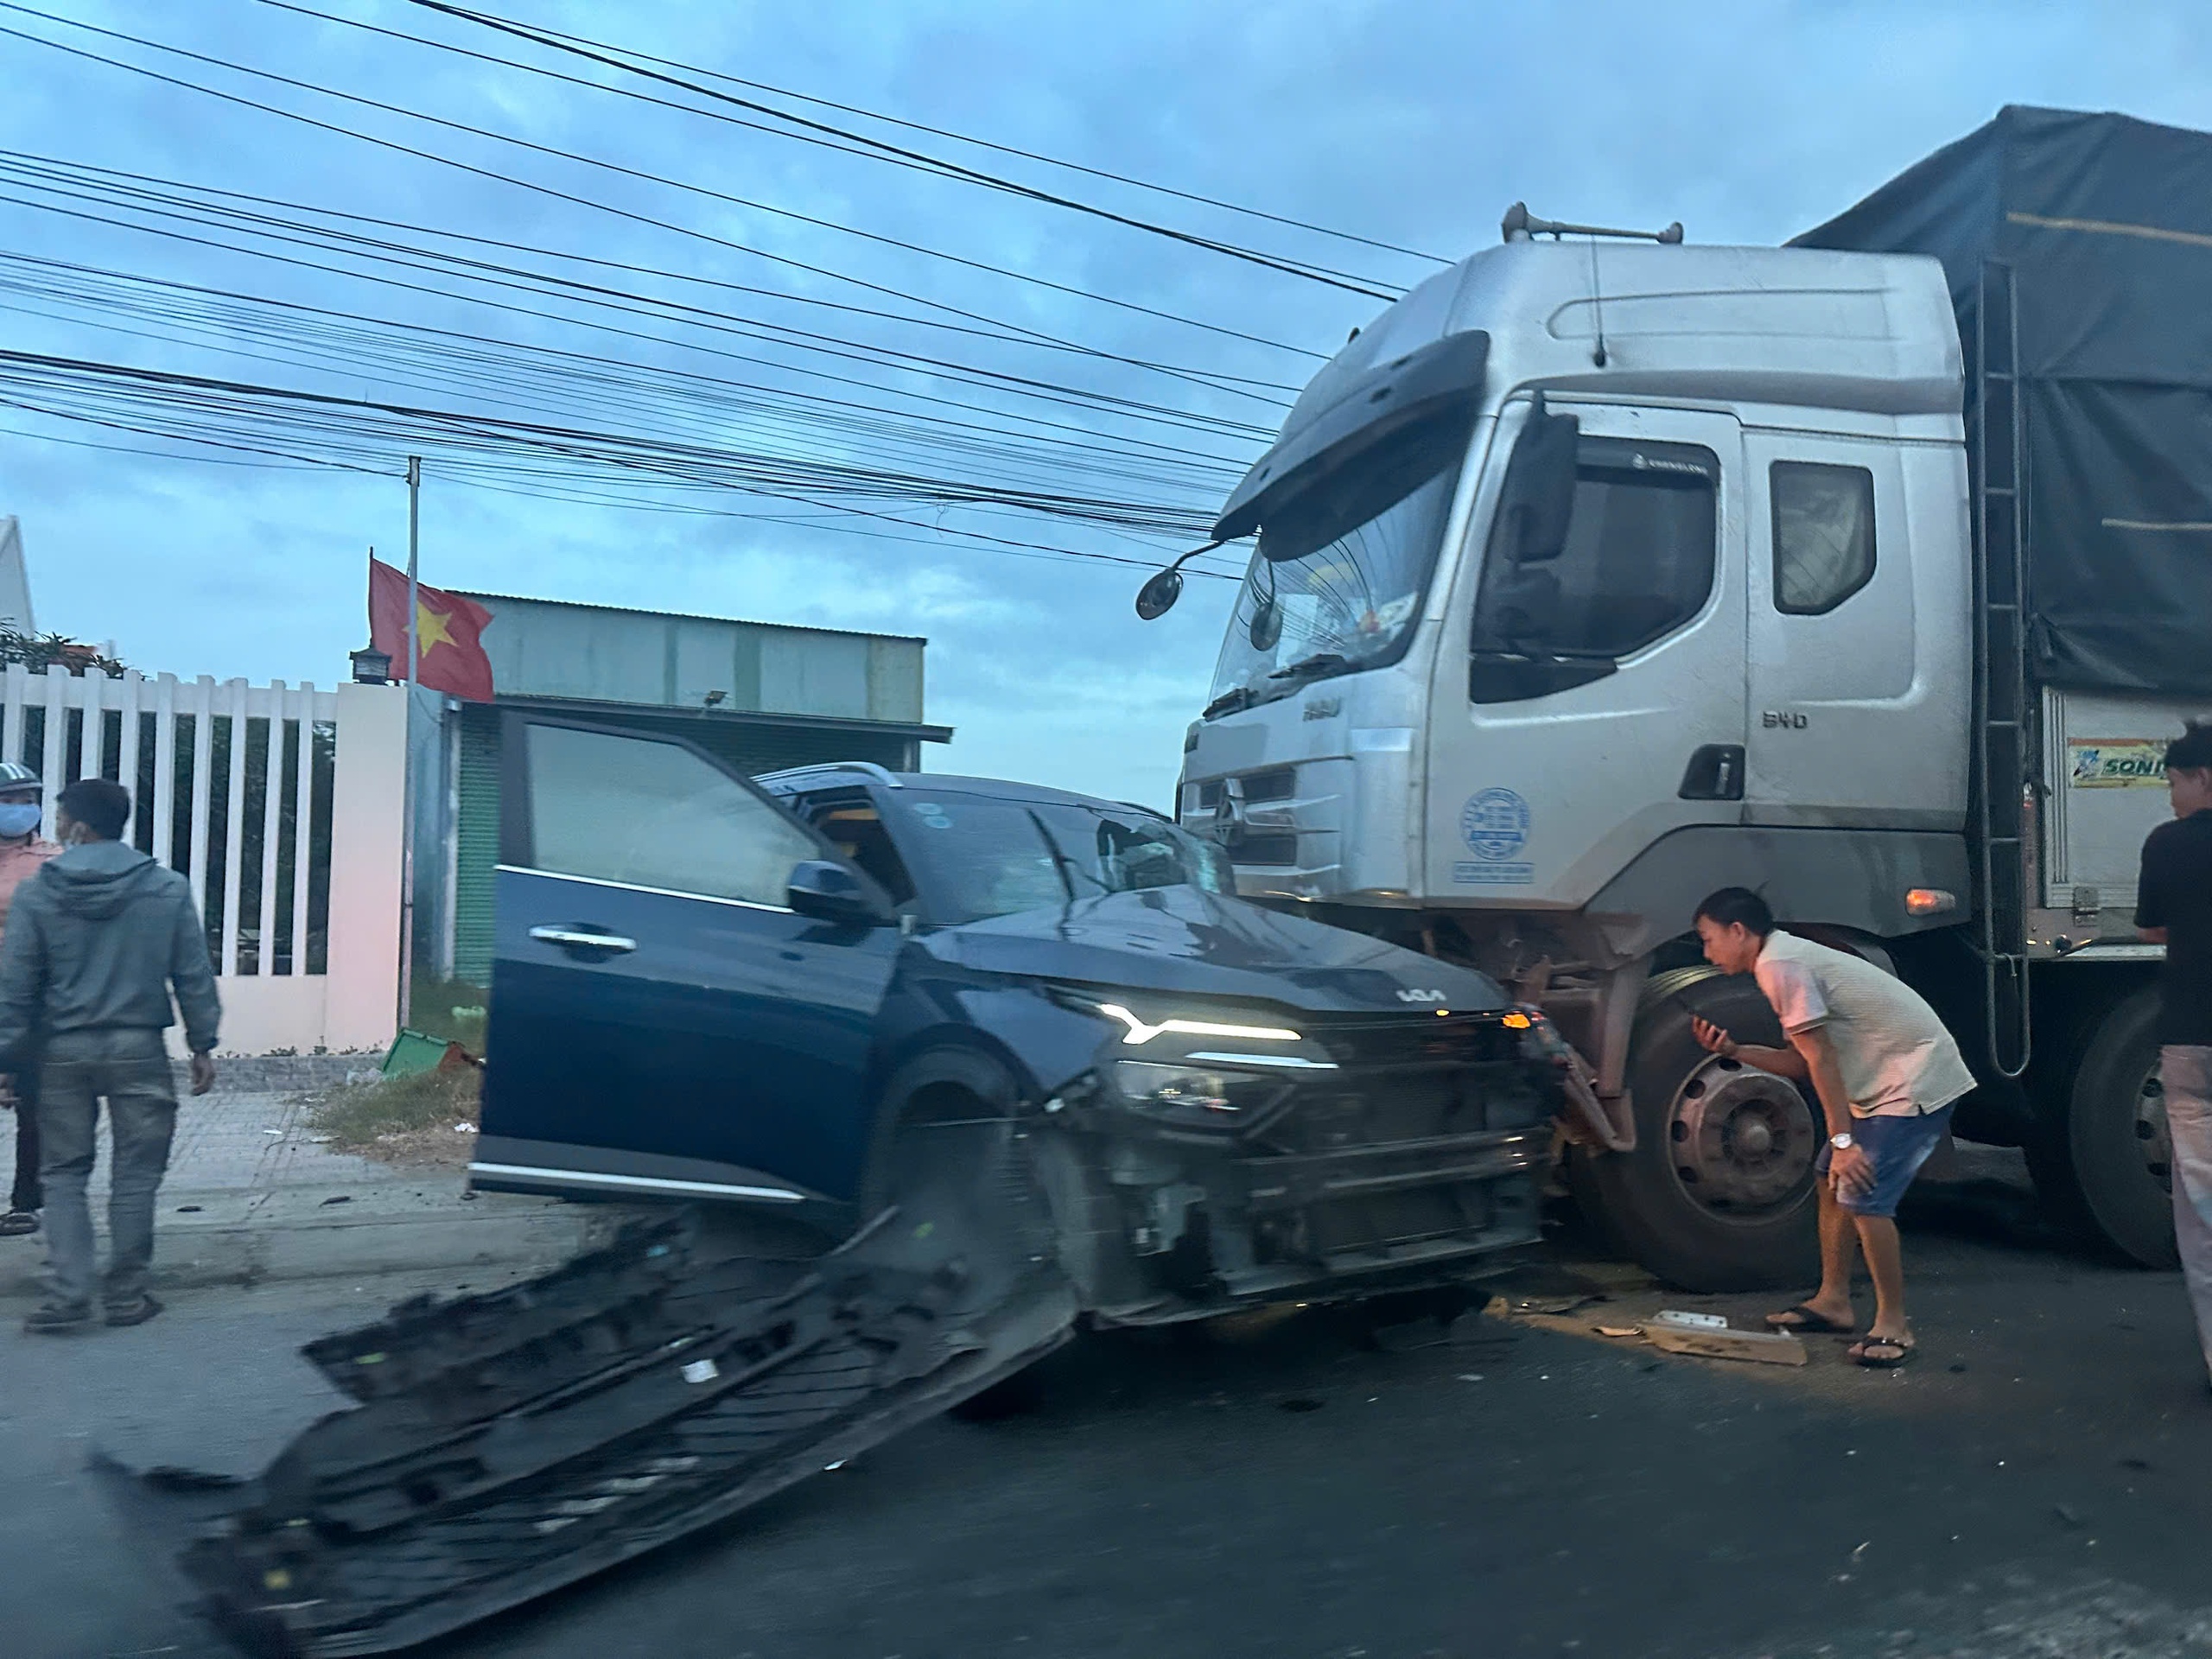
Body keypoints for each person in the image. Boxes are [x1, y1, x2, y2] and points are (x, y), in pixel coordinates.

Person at [1689, 887, 1975, 1368]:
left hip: (1913, 1080)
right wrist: (1735, 1052)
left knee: (1864, 1195)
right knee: (1830, 1180)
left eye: (1708, 938)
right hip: (1882, 1081)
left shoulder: (1782, 966)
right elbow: (1798, 1062)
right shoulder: (1779, 962)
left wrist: (1843, 1142)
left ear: (1739, 932)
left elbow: (1820, 1060)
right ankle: (1834, 1301)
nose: (1706, 952)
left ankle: (1893, 1323)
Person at [0, 777, 219, 1334]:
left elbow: (17, 986)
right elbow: (191, 973)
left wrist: (6, 1056)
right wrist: (202, 1043)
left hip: (60, 1053)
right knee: (135, 1173)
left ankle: (69, 1296)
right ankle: (126, 1296)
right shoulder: (165, 888)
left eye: (57, 817)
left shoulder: (37, 892)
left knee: (63, 1174)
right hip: (138, 1047)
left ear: (77, 825)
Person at [2135, 720, 2212, 1389]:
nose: (2171, 797)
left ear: (2204, 778)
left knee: (2201, 1203)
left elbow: (2153, 924)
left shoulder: (2167, 845)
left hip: (2191, 1037)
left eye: (2175, 782)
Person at [0, 760, 60, 1236]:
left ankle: (26, 1201)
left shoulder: (53, 860)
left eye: (28, 800)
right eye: (9, 801)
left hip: (34, 998)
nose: (21, 810)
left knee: (34, 1103)